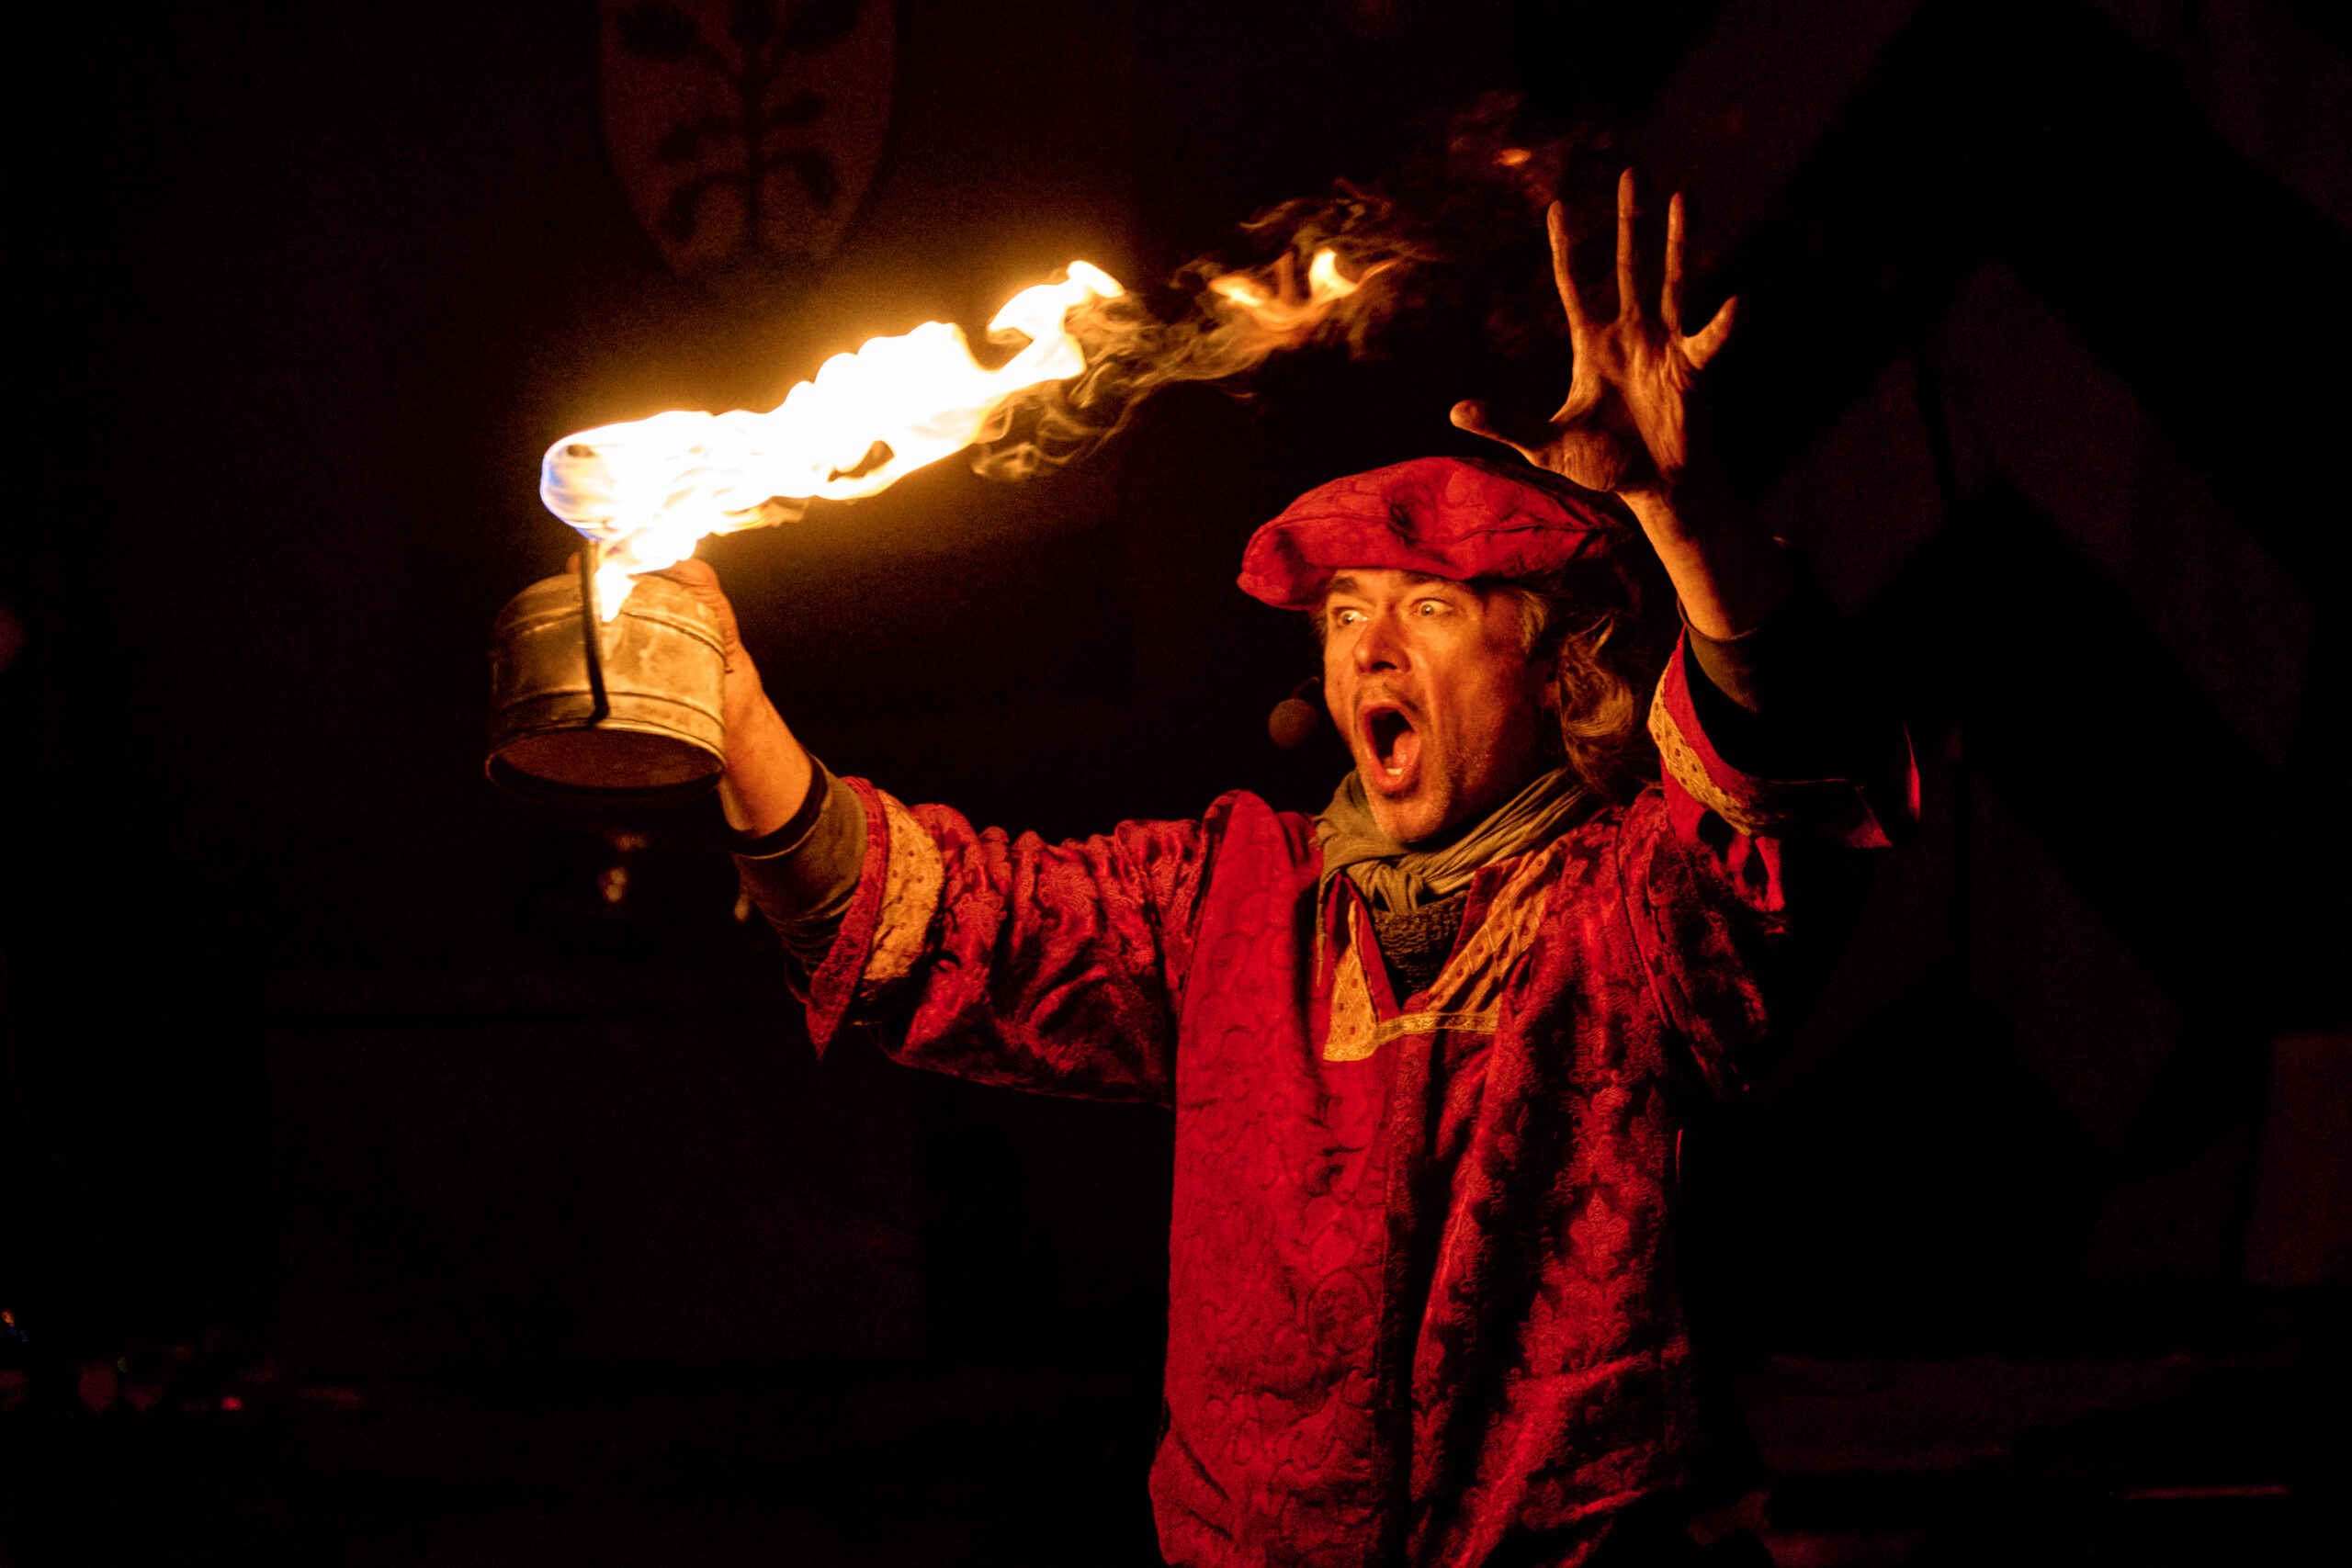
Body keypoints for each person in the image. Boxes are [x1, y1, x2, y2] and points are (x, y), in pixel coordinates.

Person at [664, 174, 1912, 1567]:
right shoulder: (1231, 898)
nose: (1367, 651)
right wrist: (729, 711)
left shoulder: (1629, 912)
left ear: (1557, 666)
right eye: (1342, 614)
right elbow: (944, 926)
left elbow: (1785, 797)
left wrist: (1685, 523)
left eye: (1429, 607)